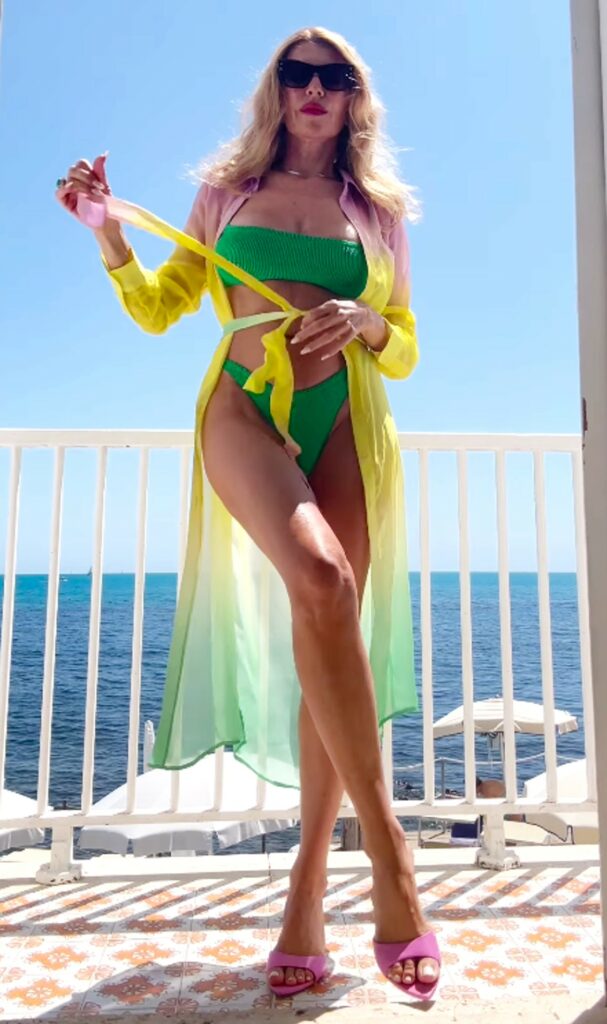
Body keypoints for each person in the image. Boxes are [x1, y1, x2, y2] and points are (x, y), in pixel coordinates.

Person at [55, 26, 440, 1001]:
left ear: (354, 97)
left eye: (334, 76)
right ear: (275, 90)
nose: (314, 89)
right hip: (244, 408)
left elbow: (404, 346)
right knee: (321, 576)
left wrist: (369, 321)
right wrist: (107, 231)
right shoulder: (225, 193)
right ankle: (390, 859)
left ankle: (305, 891)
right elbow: (159, 308)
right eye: (296, 74)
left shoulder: (378, 212)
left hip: (347, 417)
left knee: (329, 629)